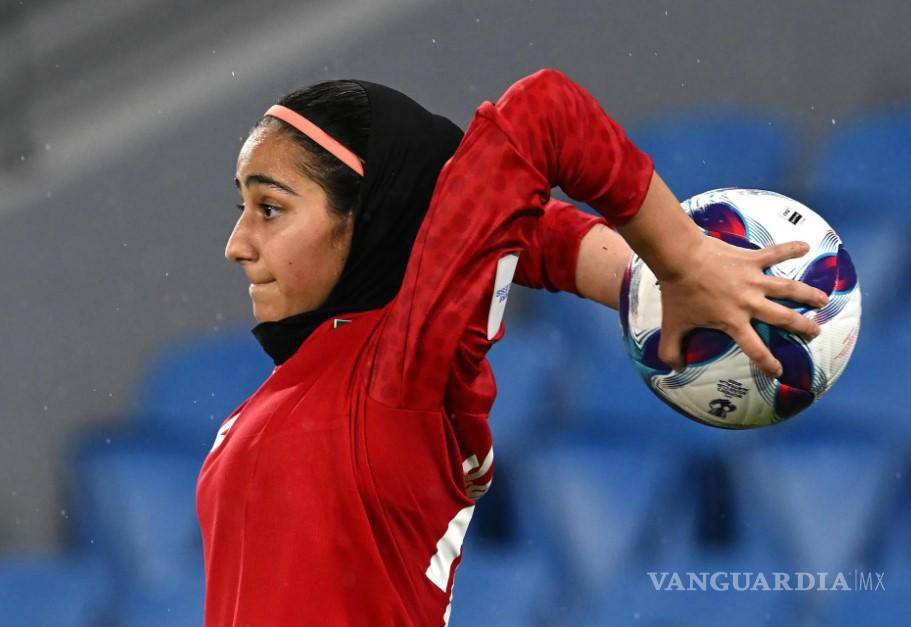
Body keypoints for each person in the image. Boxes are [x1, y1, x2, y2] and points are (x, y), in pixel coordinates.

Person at [195, 68, 828, 626]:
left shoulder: (399, 372)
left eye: (270, 208)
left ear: (367, 216)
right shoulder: (311, 380)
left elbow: (545, 115)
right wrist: (644, 282)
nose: (236, 243)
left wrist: (684, 258)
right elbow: (488, 227)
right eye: (241, 207)